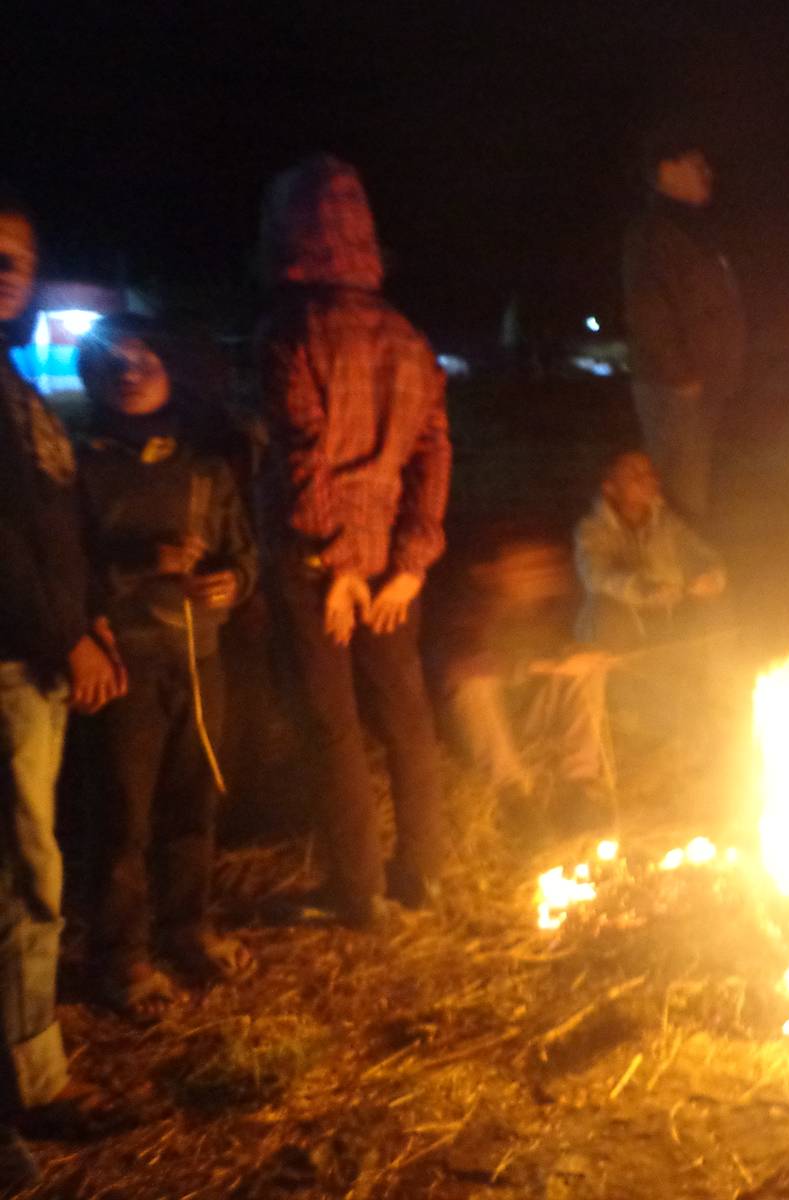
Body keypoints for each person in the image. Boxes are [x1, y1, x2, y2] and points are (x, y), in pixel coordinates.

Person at [258, 155, 452, 929]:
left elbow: (303, 454)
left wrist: (336, 565)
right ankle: (424, 873)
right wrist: (408, 566)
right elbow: (434, 453)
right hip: (389, 561)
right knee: (405, 713)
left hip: (317, 560)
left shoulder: (291, 331)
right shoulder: (408, 337)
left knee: (333, 725)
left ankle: (360, 889)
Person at [75, 317, 257, 1021]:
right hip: (124, 665)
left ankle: (188, 931)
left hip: (198, 656)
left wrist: (231, 585)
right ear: (93, 378)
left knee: (195, 803)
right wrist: (138, 570)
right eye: (112, 360)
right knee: (122, 816)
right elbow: (64, 575)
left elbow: (242, 555)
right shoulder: (81, 466)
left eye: (144, 354)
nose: (130, 368)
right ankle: (119, 959)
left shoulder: (205, 466)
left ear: (167, 365)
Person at [0, 192, 128, 1179]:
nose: (9, 266)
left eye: (22, 256)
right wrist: (58, 634)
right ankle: (29, 1090)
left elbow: (56, 524)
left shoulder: (17, 386)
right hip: (8, 663)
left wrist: (89, 619)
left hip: (38, 656)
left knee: (30, 872)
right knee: (21, 880)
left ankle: (31, 1076)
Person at [429, 530, 613, 833]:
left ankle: (579, 787)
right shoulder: (469, 610)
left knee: (585, 667)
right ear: (492, 573)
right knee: (472, 684)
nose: (540, 574)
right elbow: (459, 664)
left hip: (528, 722)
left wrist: (581, 657)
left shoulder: (550, 611)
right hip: (483, 731)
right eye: (526, 567)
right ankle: (514, 796)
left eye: (544, 565)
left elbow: (563, 652)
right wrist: (542, 665)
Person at [621, 128, 745, 525]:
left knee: (694, 493)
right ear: (666, 170)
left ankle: (689, 576)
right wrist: (682, 376)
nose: (708, 173)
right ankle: (664, 580)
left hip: (699, 386)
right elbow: (649, 310)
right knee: (677, 495)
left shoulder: (692, 230)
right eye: (697, 165)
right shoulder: (653, 232)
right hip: (673, 390)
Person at [573, 450, 725, 652]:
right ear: (609, 487)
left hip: (667, 627)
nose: (646, 479)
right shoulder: (592, 530)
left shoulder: (667, 522)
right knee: (608, 609)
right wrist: (643, 589)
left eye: (648, 471)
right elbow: (596, 576)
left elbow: (698, 553)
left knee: (716, 605)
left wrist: (711, 575)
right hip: (616, 637)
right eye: (633, 474)